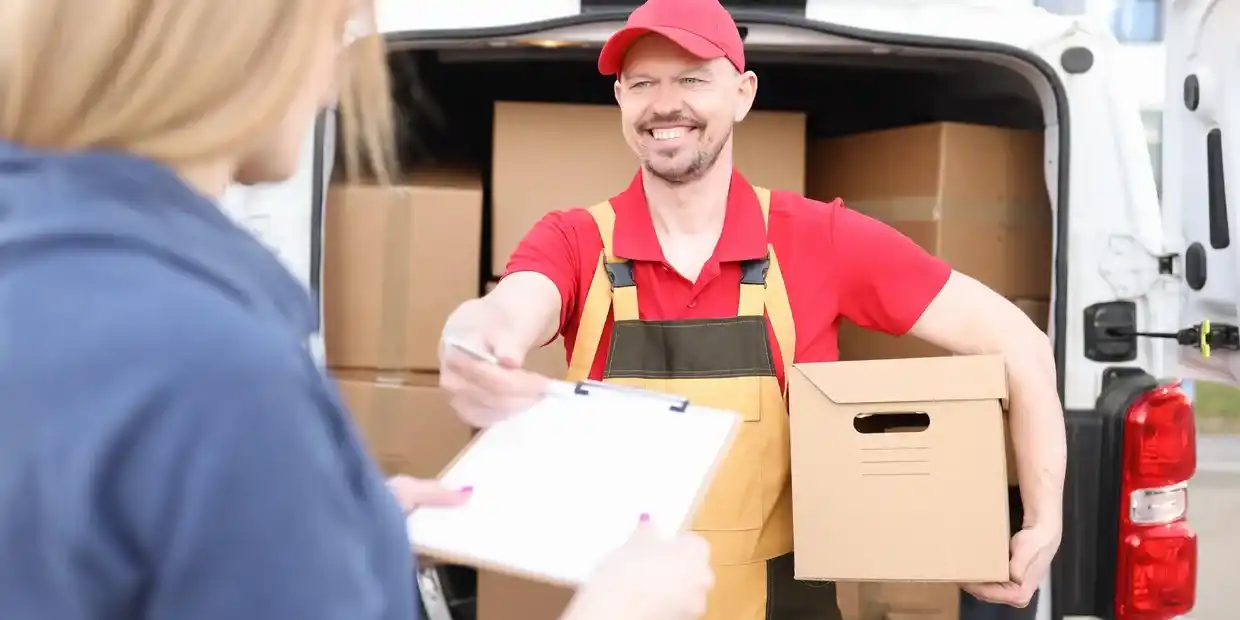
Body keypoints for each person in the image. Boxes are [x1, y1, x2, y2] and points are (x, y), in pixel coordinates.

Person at [0, 1, 714, 619]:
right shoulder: (217, 368)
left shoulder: (42, 271)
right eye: (333, 32)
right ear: (234, 48)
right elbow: (513, 302)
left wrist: (331, 522)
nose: (329, 85)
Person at [438, 0, 1067, 619]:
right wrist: (472, 339)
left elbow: (1020, 345)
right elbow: (511, 308)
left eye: (691, 79)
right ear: (622, 101)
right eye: (642, 83)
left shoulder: (818, 239)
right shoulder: (574, 242)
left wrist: (1043, 520)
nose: (664, 103)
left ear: (742, 93)